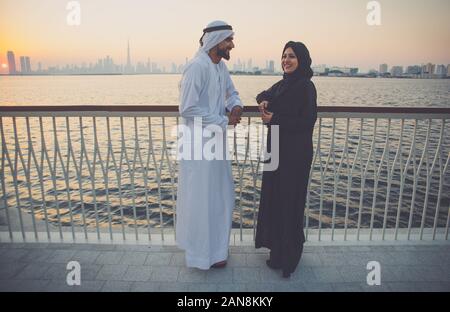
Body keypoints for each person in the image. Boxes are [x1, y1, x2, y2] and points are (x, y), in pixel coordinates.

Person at [176, 20, 244, 270]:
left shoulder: (220, 68)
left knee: (221, 196)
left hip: (217, 144)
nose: (232, 45)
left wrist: (236, 105)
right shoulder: (196, 67)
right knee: (201, 200)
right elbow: (188, 109)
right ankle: (200, 256)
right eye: (229, 40)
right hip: (198, 148)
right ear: (216, 42)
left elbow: (231, 92)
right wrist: (223, 120)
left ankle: (216, 252)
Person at [255, 41, 317, 278]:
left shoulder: (306, 87)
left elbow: (307, 122)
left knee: (290, 202)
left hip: (296, 155)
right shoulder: (282, 84)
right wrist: (262, 101)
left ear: (301, 59)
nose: (286, 60)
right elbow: (263, 94)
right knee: (276, 200)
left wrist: (275, 119)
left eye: (291, 56)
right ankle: (278, 253)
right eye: (284, 56)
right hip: (276, 151)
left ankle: (290, 257)